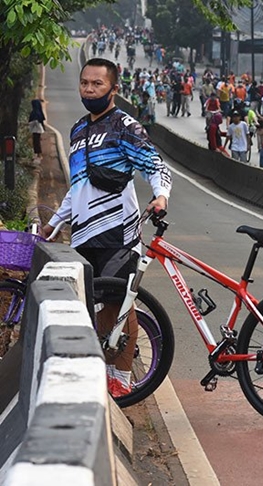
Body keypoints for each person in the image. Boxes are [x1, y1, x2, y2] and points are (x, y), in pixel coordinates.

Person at [41, 58, 171, 398]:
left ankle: (121, 379)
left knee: (120, 305)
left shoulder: (125, 126)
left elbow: (155, 166)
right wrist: (54, 224)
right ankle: (104, 373)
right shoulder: (78, 130)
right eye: (84, 83)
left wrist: (161, 196)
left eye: (96, 84)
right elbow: (78, 187)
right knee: (98, 307)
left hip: (119, 233)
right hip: (83, 235)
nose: (88, 89)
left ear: (113, 89)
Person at [28, 99, 45, 164]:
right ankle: (38, 154)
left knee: (36, 142)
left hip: (36, 130)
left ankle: (38, 154)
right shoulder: (39, 112)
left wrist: (29, 125)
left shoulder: (35, 113)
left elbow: (35, 122)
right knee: (36, 142)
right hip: (38, 130)